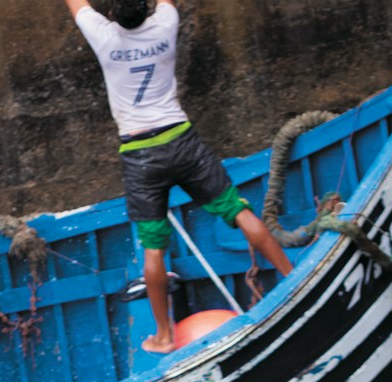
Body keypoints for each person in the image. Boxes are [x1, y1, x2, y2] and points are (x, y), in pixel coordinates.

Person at [62, 0, 293, 353]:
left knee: (154, 248)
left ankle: (165, 336)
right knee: (239, 212)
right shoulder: (165, 23)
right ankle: (292, 280)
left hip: (140, 155)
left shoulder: (104, 37)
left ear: (111, 15)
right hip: (182, 142)